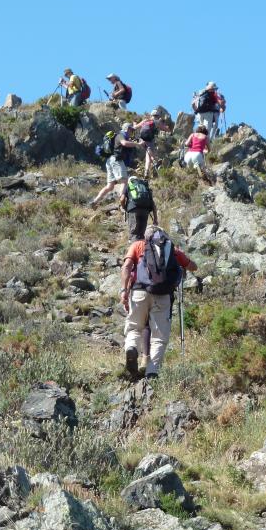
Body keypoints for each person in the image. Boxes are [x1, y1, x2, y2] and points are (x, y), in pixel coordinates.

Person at [120, 226, 197, 379]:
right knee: (159, 336)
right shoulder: (172, 249)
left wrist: (124, 290)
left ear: (146, 236)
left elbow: (127, 266)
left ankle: (131, 348)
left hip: (139, 292)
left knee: (134, 328)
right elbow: (193, 266)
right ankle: (152, 371)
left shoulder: (137, 246)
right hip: (163, 295)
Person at [90, 122, 144, 208]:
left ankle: (95, 201)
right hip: (117, 160)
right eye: (131, 130)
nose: (132, 132)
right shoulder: (120, 135)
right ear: (127, 129)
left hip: (110, 161)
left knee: (110, 186)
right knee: (124, 181)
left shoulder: (120, 136)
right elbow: (124, 143)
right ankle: (122, 198)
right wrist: (138, 144)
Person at [133, 109, 172, 178]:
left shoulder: (145, 120)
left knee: (148, 155)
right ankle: (155, 160)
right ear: (158, 116)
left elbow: (135, 127)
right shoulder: (156, 121)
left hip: (142, 137)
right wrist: (169, 129)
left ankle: (146, 172)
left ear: (151, 115)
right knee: (150, 149)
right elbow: (166, 129)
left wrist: (134, 124)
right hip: (149, 137)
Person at [119, 176, 158, 242]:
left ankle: (134, 250)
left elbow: (122, 199)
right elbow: (153, 205)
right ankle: (142, 250)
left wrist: (125, 207)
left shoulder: (129, 186)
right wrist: (155, 219)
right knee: (141, 234)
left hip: (133, 209)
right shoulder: (145, 187)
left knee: (134, 233)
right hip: (145, 210)